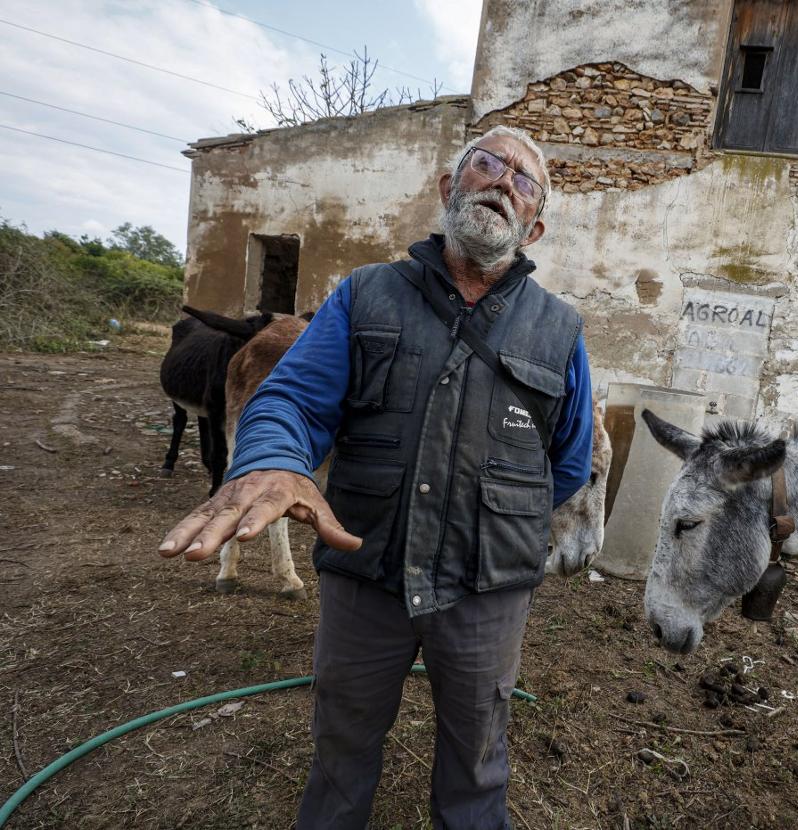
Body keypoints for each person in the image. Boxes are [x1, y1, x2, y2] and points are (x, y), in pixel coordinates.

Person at [158, 125, 594, 830]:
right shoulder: (366, 296)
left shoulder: (561, 332)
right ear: (450, 189)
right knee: (341, 749)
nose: (502, 182)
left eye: (523, 180)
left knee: (479, 765)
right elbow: (292, 400)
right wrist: (271, 459)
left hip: (488, 591)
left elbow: (568, 462)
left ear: (533, 227)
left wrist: (500, 512)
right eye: (487, 163)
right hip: (367, 571)